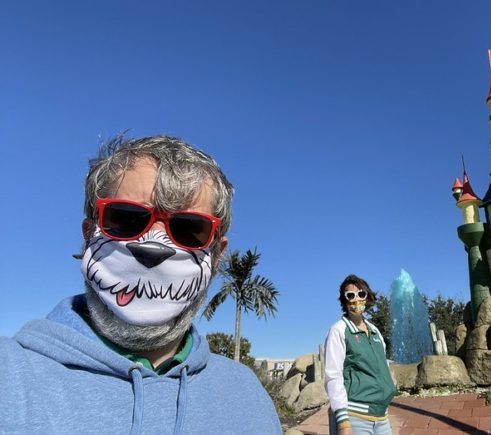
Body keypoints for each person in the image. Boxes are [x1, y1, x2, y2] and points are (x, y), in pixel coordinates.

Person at [0, 136, 282, 434]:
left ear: (216, 256)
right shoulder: (11, 376)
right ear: (88, 234)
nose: (152, 247)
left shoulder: (247, 397)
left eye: (189, 228)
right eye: (126, 219)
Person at [324, 274, 396, 435]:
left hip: (382, 416)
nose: (356, 299)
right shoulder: (338, 330)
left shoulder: (375, 331)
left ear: (367, 297)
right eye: (350, 295)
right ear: (344, 300)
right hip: (355, 416)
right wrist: (343, 422)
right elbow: (333, 376)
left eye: (361, 294)